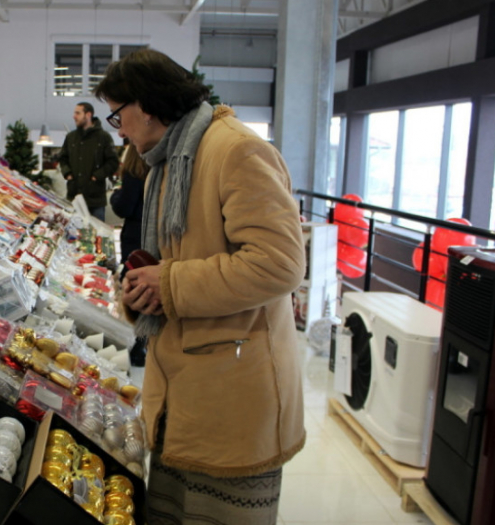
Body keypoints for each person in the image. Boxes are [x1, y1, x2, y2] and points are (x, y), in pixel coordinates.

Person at [95, 49, 305, 524]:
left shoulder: (236, 151)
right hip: (185, 391)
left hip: (232, 391)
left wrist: (169, 282)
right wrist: (142, 290)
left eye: (118, 115)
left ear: (146, 105)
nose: (119, 131)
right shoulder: (168, 160)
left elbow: (280, 264)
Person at [111, 142, 149, 368]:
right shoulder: (158, 170)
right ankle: (143, 343)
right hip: (153, 238)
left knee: (134, 286)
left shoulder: (134, 173)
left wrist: (115, 196)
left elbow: (124, 207)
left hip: (135, 238)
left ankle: (134, 346)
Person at [59, 102, 119, 221]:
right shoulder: (71, 137)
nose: (74, 116)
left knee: (97, 231)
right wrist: (68, 174)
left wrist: (97, 176)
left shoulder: (104, 137)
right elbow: (63, 158)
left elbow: (113, 162)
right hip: (73, 198)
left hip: (95, 200)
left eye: (78, 113)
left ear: (88, 115)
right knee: (73, 231)